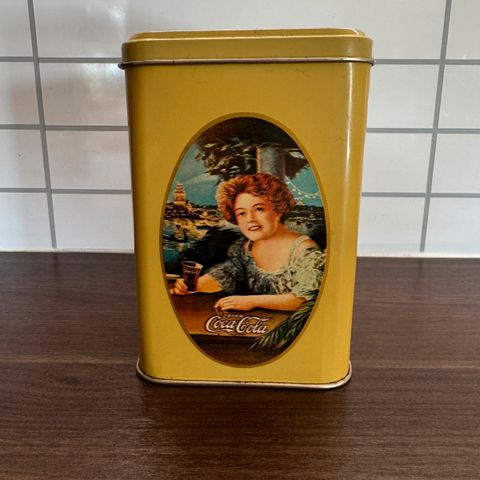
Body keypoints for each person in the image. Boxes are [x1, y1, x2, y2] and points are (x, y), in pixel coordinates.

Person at [170, 173, 325, 312]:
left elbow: (303, 300)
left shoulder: (304, 251)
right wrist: (194, 285)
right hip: (259, 324)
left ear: (278, 210)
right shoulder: (246, 248)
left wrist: (251, 301)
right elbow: (227, 274)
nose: (250, 219)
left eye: (259, 209)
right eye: (242, 213)